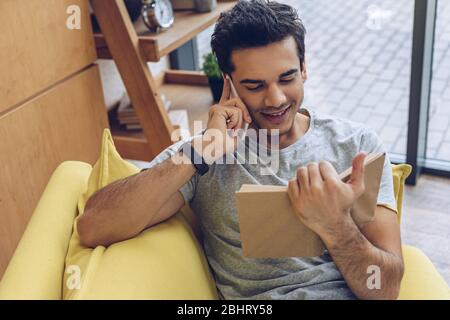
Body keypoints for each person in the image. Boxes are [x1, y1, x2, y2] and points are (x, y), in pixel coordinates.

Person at [77, 0, 404, 300]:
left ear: (304, 67)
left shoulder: (356, 144)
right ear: (228, 82)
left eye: (287, 77)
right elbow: (94, 226)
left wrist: (335, 225)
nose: (275, 99)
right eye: (255, 85)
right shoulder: (204, 155)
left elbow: (386, 288)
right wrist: (203, 149)